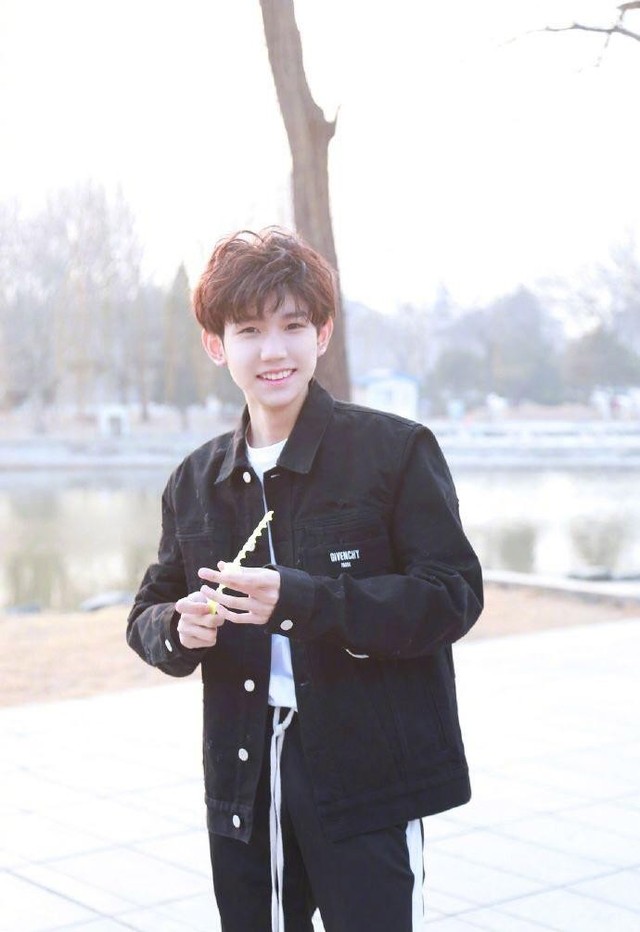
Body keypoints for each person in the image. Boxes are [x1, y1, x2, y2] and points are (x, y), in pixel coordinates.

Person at [126, 227, 483, 932]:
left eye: (293, 326)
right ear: (216, 345)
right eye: (249, 330)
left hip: (365, 771)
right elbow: (147, 613)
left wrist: (305, 600)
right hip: (244, 776)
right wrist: (176, 628)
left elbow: (452, 596)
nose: (274, 351)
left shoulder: (394, 451)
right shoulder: (195, 480)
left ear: (322, 333)